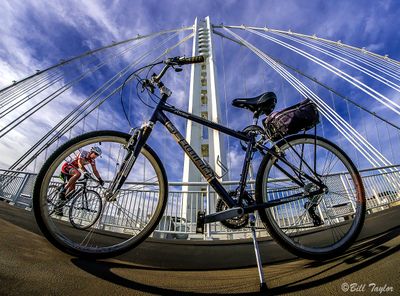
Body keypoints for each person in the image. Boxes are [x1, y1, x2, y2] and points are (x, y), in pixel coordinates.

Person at [55, 146, 104, 216]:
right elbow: (79, 164)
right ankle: (63, 190)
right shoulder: (84, 153)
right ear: (91, 152)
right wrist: (85, 172)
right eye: (95, 154)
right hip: (68, 166)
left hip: (73, 171)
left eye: (97, 155)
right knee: (78, 174)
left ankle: (59, 206)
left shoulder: (92, 160)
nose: (95, 156)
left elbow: (95, 171)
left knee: (72, 190)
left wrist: (100, 179)